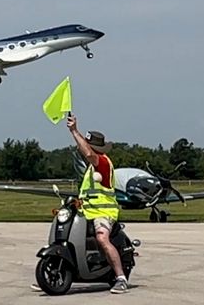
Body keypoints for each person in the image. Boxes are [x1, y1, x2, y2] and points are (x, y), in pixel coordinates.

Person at [67, 113, 128, 294]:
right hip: (87, 211)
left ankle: (120, 278)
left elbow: (87, 153)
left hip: (103, 212)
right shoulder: (90, 169)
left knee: (102, 238)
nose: (84, 150)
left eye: (88, 146)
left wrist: (74, 131)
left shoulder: (101, 162)